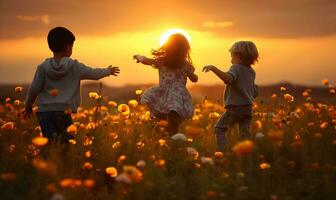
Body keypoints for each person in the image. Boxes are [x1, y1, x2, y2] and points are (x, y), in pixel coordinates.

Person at [24, 27, 120, 143]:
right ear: (68, 47)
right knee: (67, 143)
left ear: (51, 46)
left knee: (50, 144)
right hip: (64, 111)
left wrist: (28, 105)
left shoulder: (42, 67)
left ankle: (52, 160)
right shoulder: (74, 66)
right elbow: (93, 73)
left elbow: (34, 89)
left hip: (45, 113)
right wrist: (108, 71)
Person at [133, 33, 198, 135]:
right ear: (185, 50)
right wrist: (193, 75)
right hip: (178, 96)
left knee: (160, 117)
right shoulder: (185, 65)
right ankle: (173, 136)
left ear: (168, 47)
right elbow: (194, 79)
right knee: (174, 117)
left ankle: (160, 136)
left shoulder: (161, 61)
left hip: (163, 93)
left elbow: (146, 60)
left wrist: (139, 57)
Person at [203, 41, 259, 151]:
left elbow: (228, 79)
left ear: (238, 56)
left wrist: (213, 68)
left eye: (231, 56)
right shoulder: (251, 72)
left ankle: (224, 153)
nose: (231, 59)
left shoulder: (236, 67)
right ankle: (247, 155)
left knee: (219, 129)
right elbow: (254, 92)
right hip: (248, 108)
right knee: (244, 135)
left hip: (235, 107)